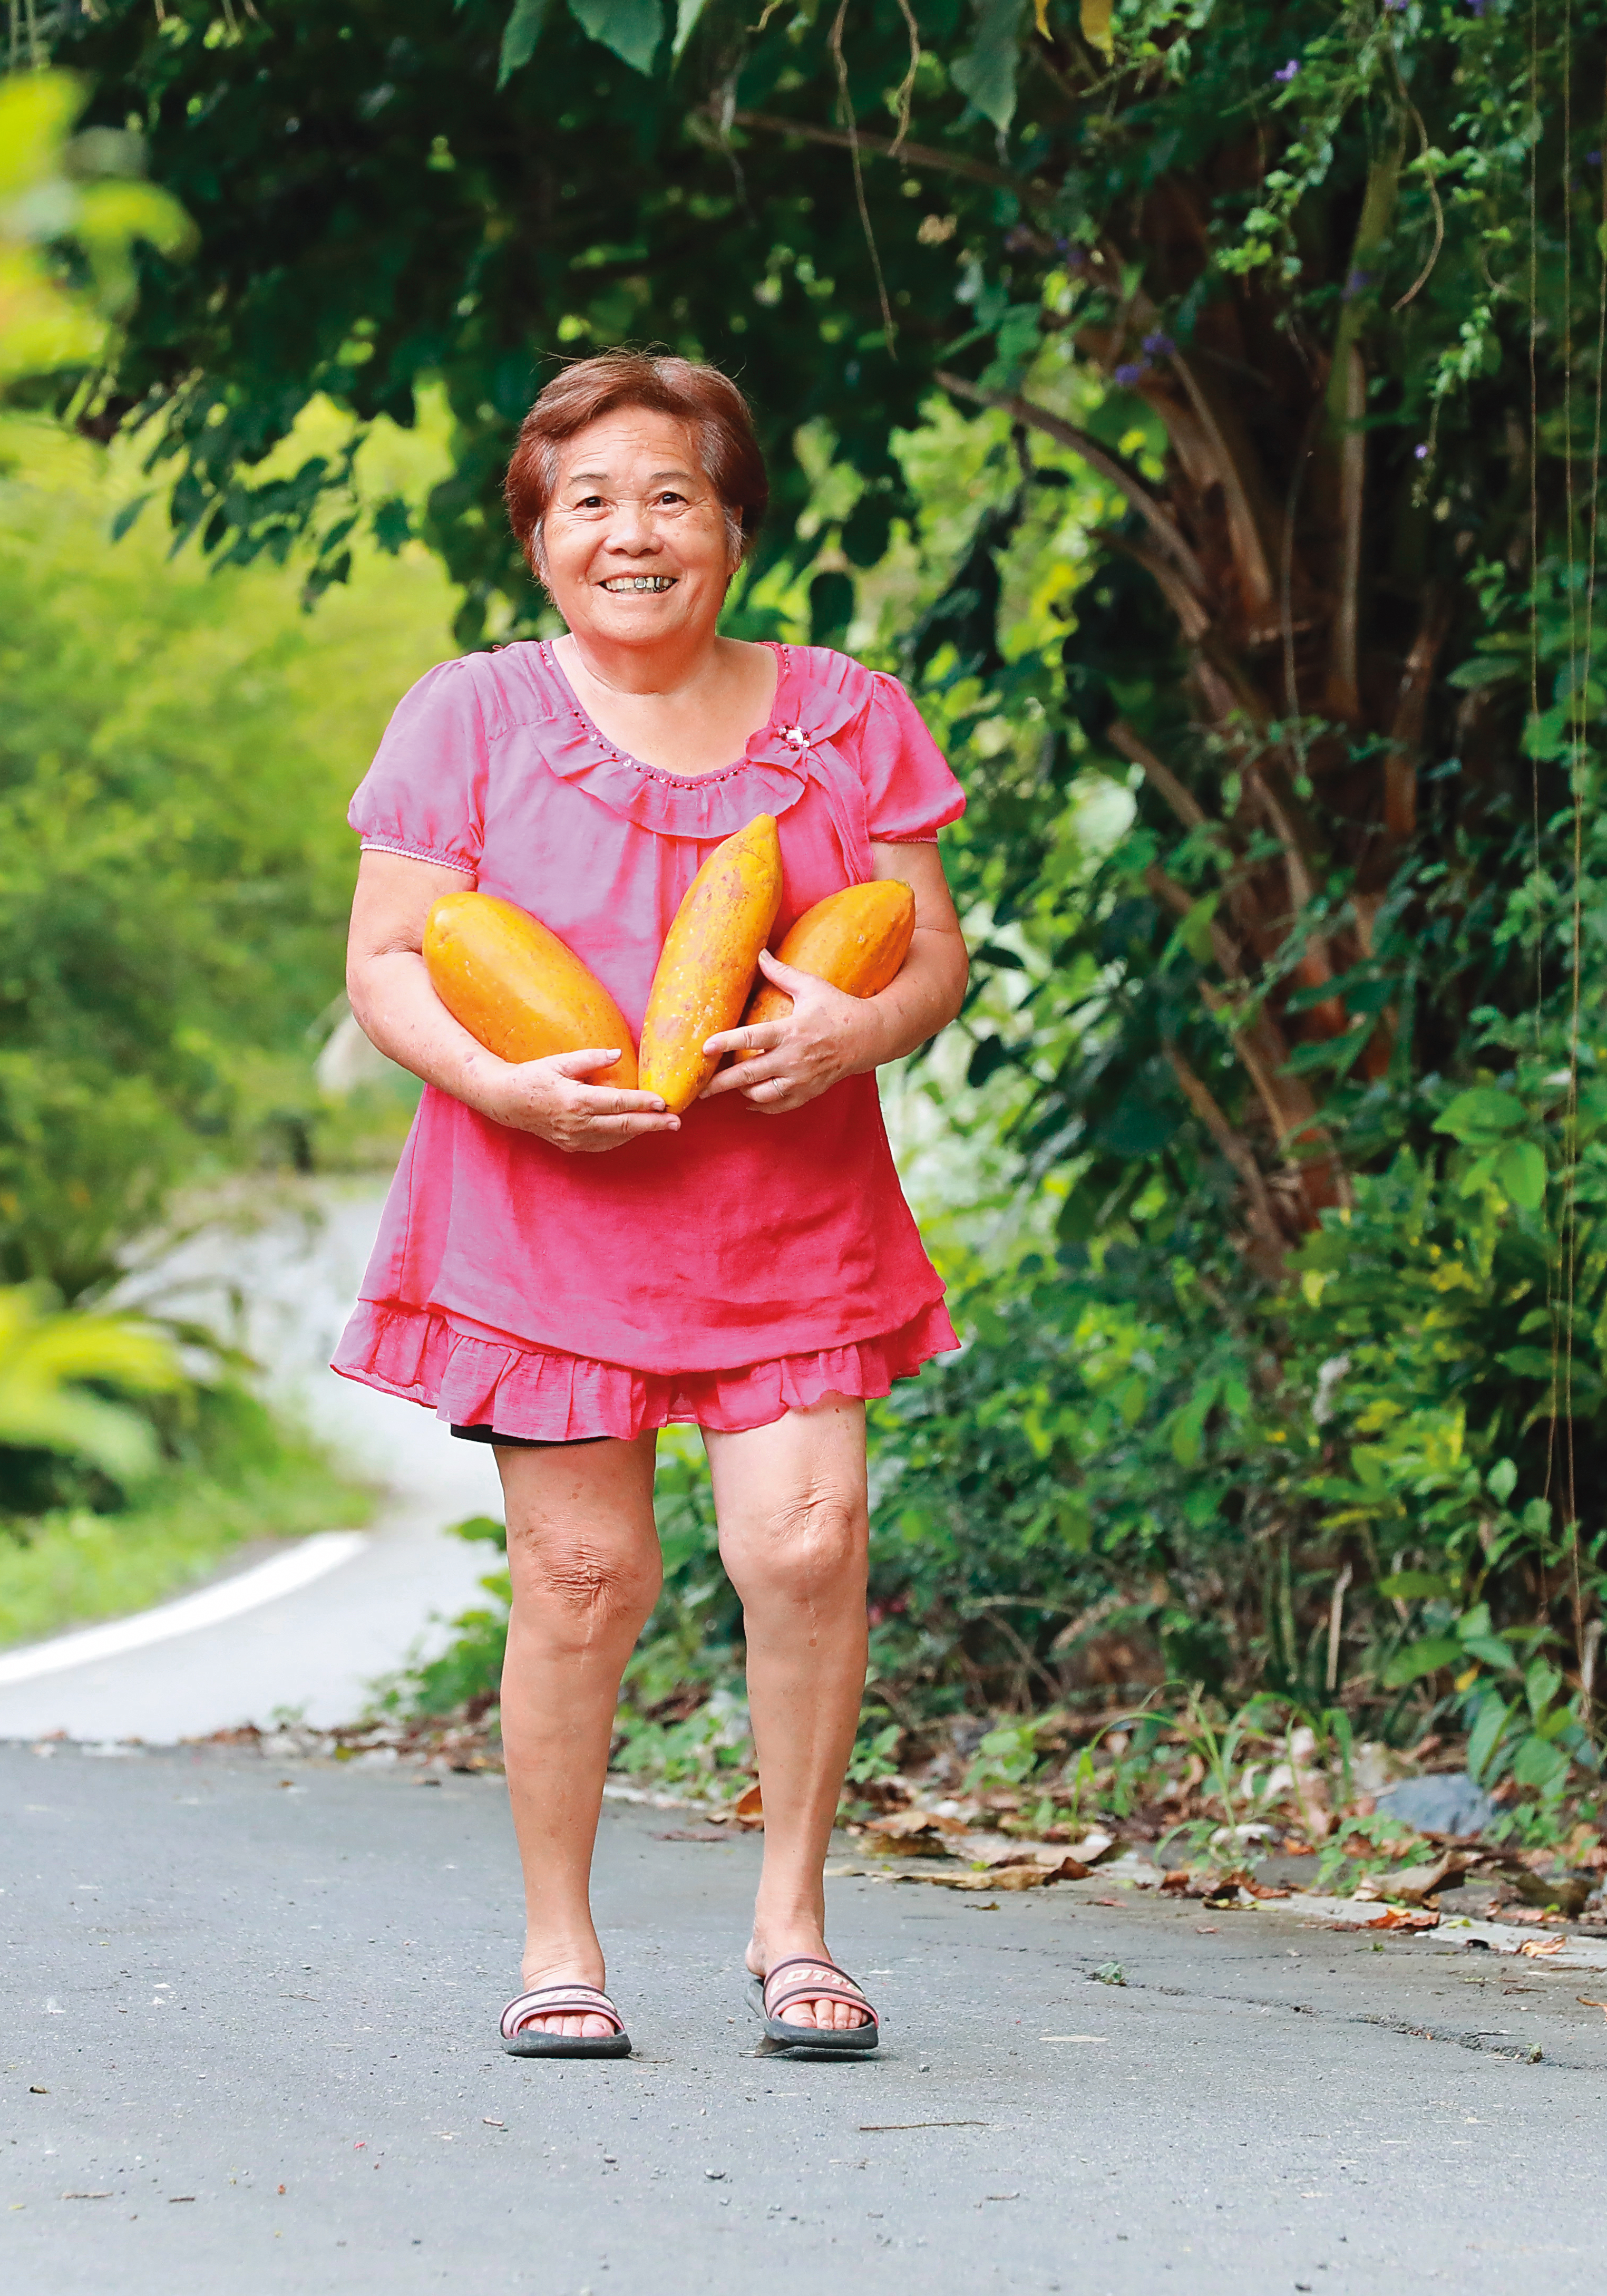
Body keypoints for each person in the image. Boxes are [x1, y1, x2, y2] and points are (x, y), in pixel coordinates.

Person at [336, 351, 969, 2060]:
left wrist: (863, 1027)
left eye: (671, 496)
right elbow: (390, 961)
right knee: (580, 1577)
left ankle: (794, 1927)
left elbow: (929, 949)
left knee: (809, 1542)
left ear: (736, 530)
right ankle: (561, 1945)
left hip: (786, 1213)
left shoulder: (847, 712)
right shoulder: (465, 717)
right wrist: (503, 1086)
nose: (633, 532)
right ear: (538, 537)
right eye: (590, 501)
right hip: (543, 1210)